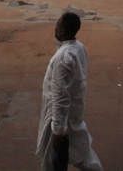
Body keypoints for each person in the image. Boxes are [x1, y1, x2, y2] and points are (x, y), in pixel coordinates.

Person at [36, 12, 103, 171]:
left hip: (60, 117)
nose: (55, 28)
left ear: (63, 31)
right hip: (74, 110)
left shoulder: (63, 58)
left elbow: (60, 96)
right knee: (82, 152)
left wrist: (58, 129)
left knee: (55, 159)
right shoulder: (78, 48)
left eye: (58, 25)